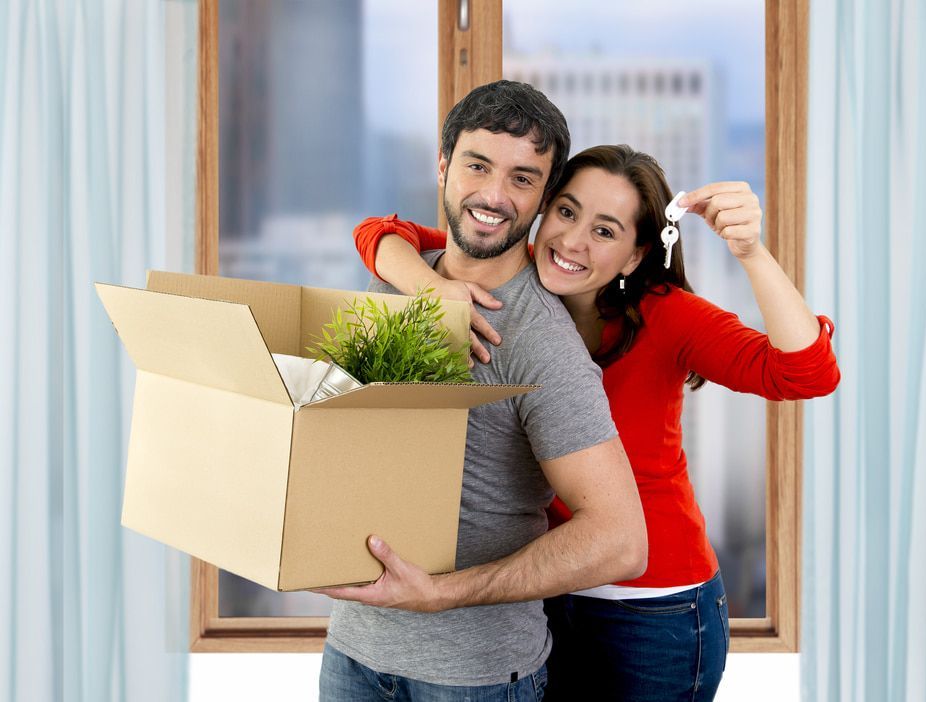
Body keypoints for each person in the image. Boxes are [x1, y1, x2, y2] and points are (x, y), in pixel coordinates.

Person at [353, 145, 841, 701]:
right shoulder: (524, 274)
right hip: (549, 589)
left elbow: (807, 374)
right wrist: (432, 289)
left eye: (605, 231)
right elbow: (380, 233)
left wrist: (751, 252)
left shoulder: (667, 314)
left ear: (635, 257)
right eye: (566, 212)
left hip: (653, 609)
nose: (573, 241)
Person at [313, 81, 649, 701]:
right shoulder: (394, 290)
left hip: (474, 676)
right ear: (443, 167)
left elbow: (621, 541)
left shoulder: (541, 342)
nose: (494, 196)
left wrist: (441, 593)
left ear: (545, 198)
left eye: (523, 179)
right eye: (477, 166)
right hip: (352, 649)